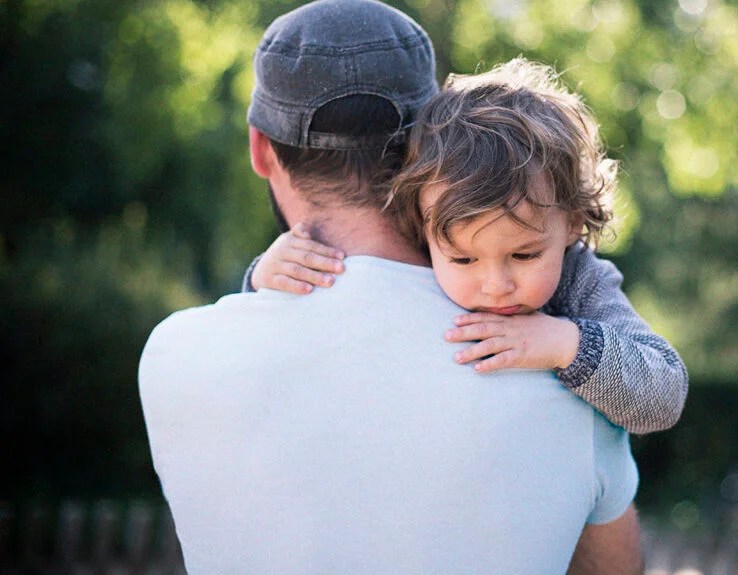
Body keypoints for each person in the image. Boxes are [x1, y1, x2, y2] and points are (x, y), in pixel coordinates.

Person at [138, 0, 643, 573]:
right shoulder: (567, 372)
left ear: (259, 149)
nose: (496, 282)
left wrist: (257, 280)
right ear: (431, 148)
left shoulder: (173, 355)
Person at [244, 58, 688, 435]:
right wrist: (263, 279)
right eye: (463, 259)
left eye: (525, 255)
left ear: (571, 223)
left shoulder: (579, 283)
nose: (495, 285)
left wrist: (567, 343)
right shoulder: (414, 261)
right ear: (421, 227)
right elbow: (296, 335)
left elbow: (664, 395)